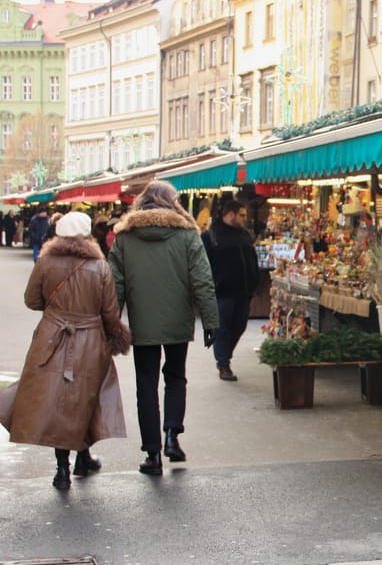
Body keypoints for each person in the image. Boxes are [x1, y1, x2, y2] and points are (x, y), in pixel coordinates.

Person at [0, 212, 131, 490]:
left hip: (50, 338)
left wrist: (57, 311)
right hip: (90, 339)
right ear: (87, 234)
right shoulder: (100, 266)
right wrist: (116, 336)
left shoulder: (45, 261)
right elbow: (109, 311)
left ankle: (64, 468)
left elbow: (31, 300)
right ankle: (82, 457)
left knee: (57, 400)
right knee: (86, 396)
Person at [109, 181, 219, 476]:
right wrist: (211, 320)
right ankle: (172, 434)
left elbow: (114, 287)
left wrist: (112, 325)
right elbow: (202, 281)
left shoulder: (124, 238)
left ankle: (153, 453)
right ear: (173, 203)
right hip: (177, 320)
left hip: (142, 322)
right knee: (175, 377)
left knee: (145, 385)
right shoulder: (187, 235)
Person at [202, 199, 260, 381]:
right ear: (230, 214)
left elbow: (252, 259)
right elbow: (202, 264)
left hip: (243, 291)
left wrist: (254, 282)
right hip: (222, 292)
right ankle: (223, 364)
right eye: (242, 215)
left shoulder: (243, 235)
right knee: (222, 329)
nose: (245, 219)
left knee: (240, 326)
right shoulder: (210, 236)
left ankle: (224, 356)